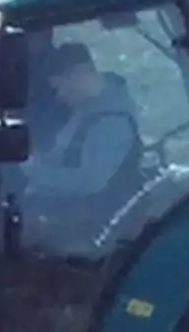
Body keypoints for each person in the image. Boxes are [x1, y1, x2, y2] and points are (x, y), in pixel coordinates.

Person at [17, 40, 144, 260]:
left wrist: (33, 170)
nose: (59, 96)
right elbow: (63, 154)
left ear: (77, 75)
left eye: (58, 87)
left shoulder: (112, 122)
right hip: (74, 213)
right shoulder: (87, 110)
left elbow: (88, 182)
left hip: (97, 228)